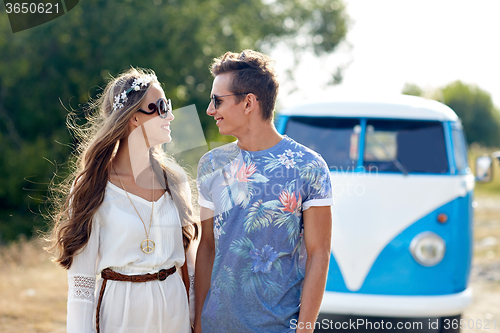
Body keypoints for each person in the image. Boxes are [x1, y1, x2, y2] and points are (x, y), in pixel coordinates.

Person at [46, 68, 198, 332]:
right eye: (160, 107)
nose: (170, 115)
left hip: (175, 313)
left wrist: (197, 321)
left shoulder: (176, 180)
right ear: (134, 118)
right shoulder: (91, 188)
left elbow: (191, 269)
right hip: (122, 314)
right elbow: (81, 285)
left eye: (169, 105)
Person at [194, 50, 333, 333]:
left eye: (217, 101)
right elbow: (207, 247)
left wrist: (304, 329)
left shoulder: (310, 166)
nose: (210, 110)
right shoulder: (211, 164)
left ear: (248, 103)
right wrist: (198, 323)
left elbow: (319, 253)